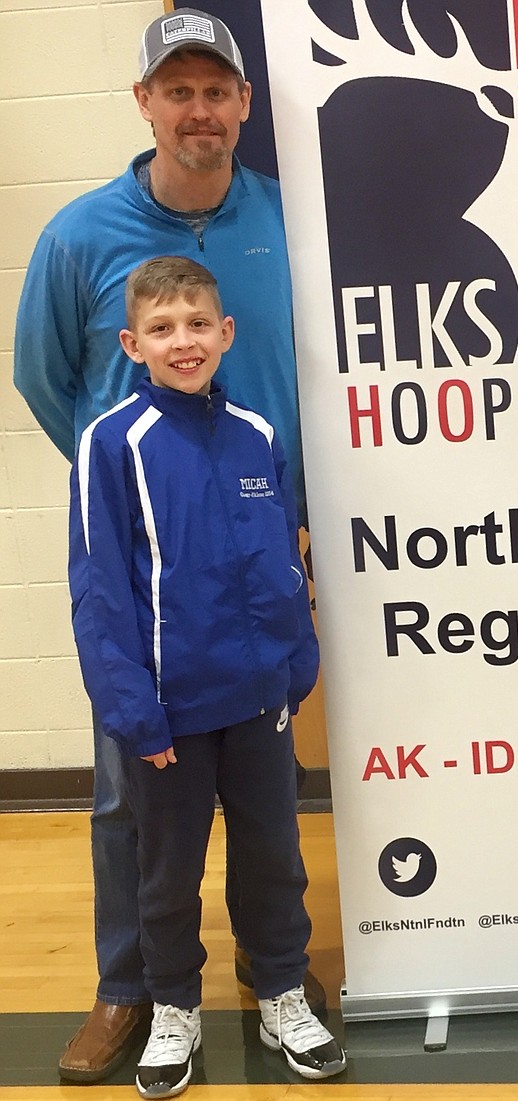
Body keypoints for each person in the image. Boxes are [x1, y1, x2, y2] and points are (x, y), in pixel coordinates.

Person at [12, 8, 322, 1083]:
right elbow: (44, 377)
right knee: (130, 795)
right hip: (148, 575)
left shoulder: (288, 219)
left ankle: (274, 975)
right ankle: (130, 987)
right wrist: (138, 488)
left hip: (260, 540)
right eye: (177, 91)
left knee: (263, 790)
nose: (200, 110)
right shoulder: (81, 236)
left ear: (243, 105)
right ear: (145, 103)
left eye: (217, 91)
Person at [69, 256, 346, 1099]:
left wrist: (297, 666)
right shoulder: (113, 442)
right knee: (167, 871)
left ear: (225, 334)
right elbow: (99, 590)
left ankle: (284, 992)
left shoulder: (259, 435)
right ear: (133, 343)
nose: (182, 342)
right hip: (169, 713)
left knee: (274, 857)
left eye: (197, 325)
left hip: (260, 701)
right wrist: (133, 712)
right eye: (162, 328)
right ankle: (173, 1007)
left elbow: (281, 565)